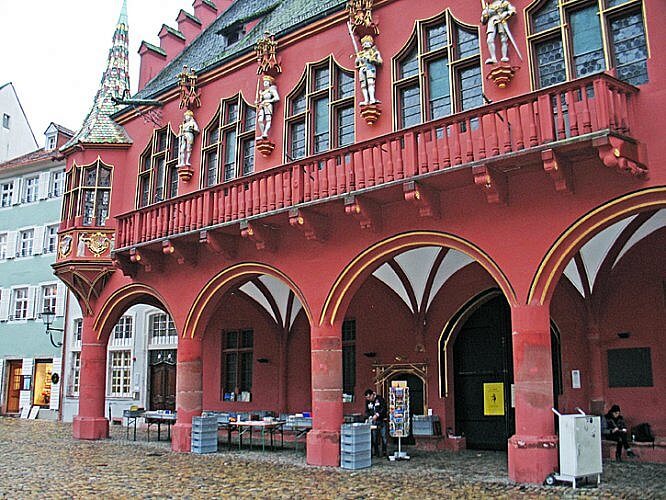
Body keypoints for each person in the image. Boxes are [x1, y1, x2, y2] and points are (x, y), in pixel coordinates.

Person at [481, 0, 517, 64]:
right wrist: (484, 15)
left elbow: (512, 10)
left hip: (501, 20)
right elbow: (483, 21)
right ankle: (493, 58)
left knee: (503, 39)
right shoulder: (488, 7)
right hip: (491, 22)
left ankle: (504, 56)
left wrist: (506, 13)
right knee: (489, 40)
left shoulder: (503, 2)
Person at [355, 35, 382, 105]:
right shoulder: (360, 54)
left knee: (370, 83)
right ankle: (366, 100)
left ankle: (372, 99)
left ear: (371, 43)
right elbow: (356, 65)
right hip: (362, 69)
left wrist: (373, 60)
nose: (365, 44)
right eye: (363, 43)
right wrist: (357, 60)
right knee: (363, 85)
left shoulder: (374, 52)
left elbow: (380, 61)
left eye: (367, 42)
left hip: (370, 68)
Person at [364, 388, 389, 457]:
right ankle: (376, 452)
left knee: (384, 436)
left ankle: (384, 451)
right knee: (374, 436)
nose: (368, 398)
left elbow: (384, 408)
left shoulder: (380, 399)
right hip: (373, 421)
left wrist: (378, 414)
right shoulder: (367, 402)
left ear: (373, 395)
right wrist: (369, 416)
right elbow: (367, 411)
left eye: (369, 397)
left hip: (382, 420)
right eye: (367, 397)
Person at [256, 75, 280, 140]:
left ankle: (265, 133)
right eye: (264, 82)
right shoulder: (262, 92)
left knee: (268, 120)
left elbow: (277, 98)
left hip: (268, 105)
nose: (265, 83)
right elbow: (260, 101)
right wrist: (258, 102)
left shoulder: (271, 90)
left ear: (269, 83)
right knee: (260, 120)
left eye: (266, 82)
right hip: (262, 106)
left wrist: (268, 100)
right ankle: (262, 133)